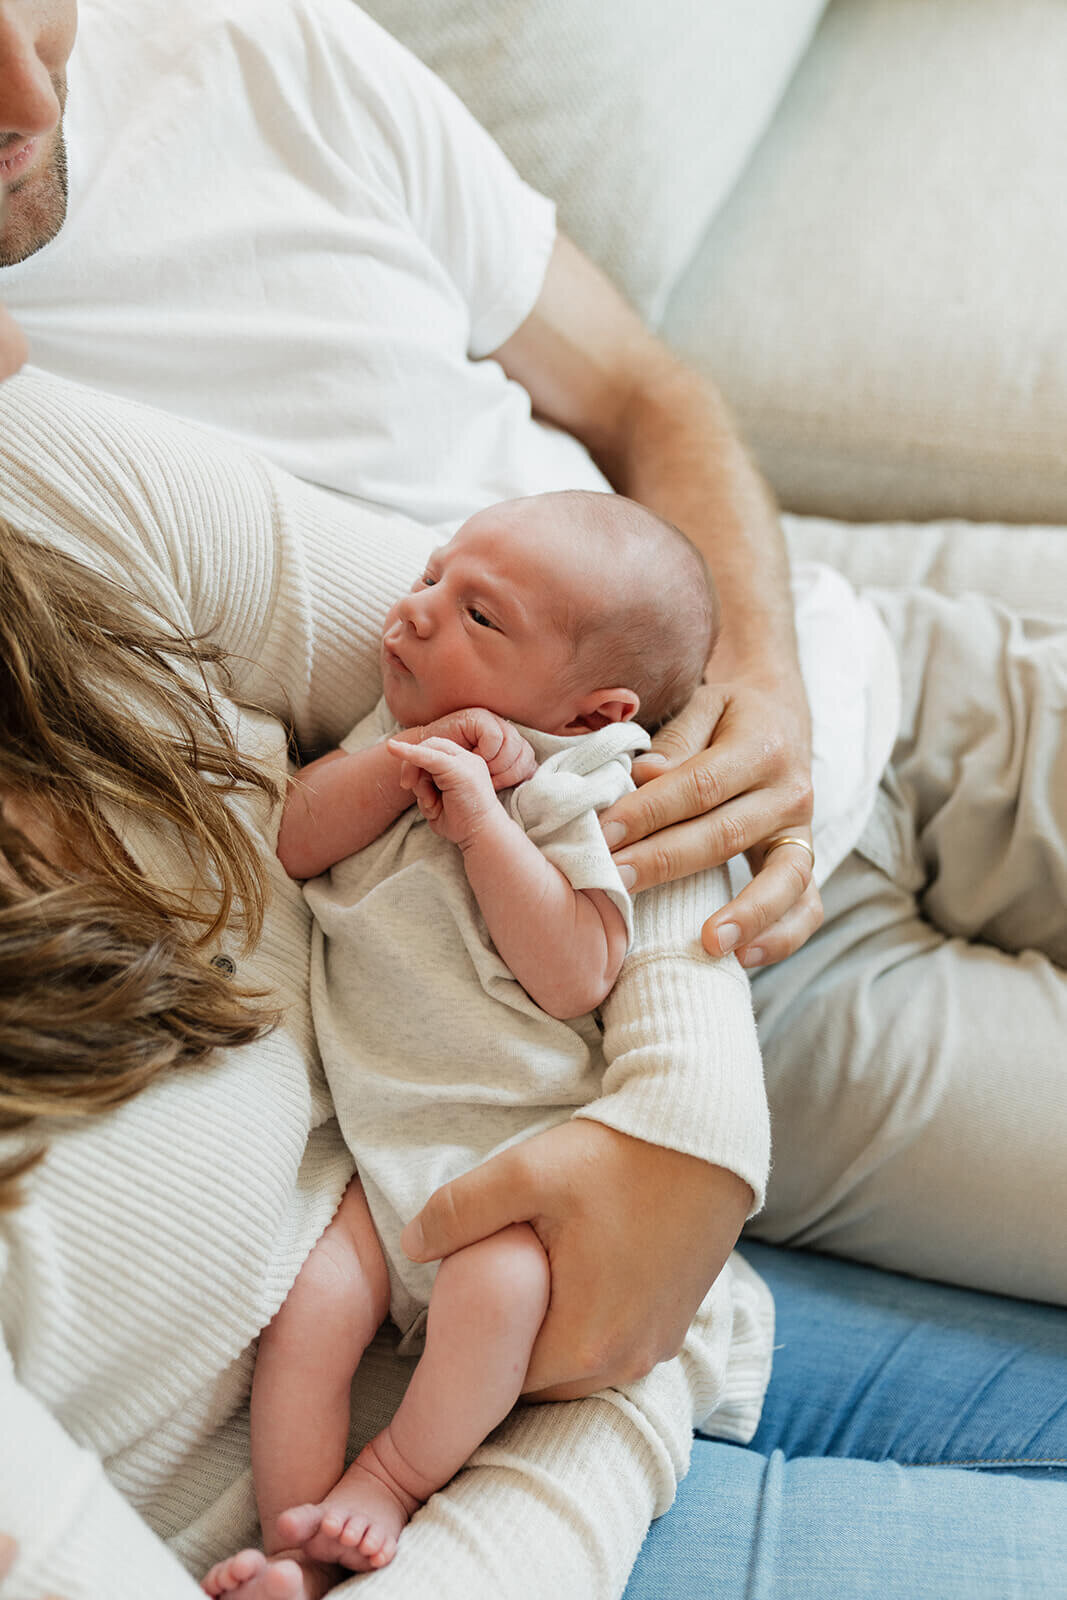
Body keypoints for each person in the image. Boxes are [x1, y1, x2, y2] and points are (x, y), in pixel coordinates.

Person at [204, 491, 718, 1595]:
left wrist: (486, 822)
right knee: (310, 1312)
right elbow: (290, 841)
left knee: (497, 1292)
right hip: (379, 1150)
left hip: (514, 1162)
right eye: (432, 576)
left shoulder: (580, 778)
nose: (418, 611)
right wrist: (404, 760)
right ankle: (293, 1547)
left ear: (593, 709)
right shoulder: (393, 733)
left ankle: (390, 1478)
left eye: (479, 615)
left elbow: (578, 970)